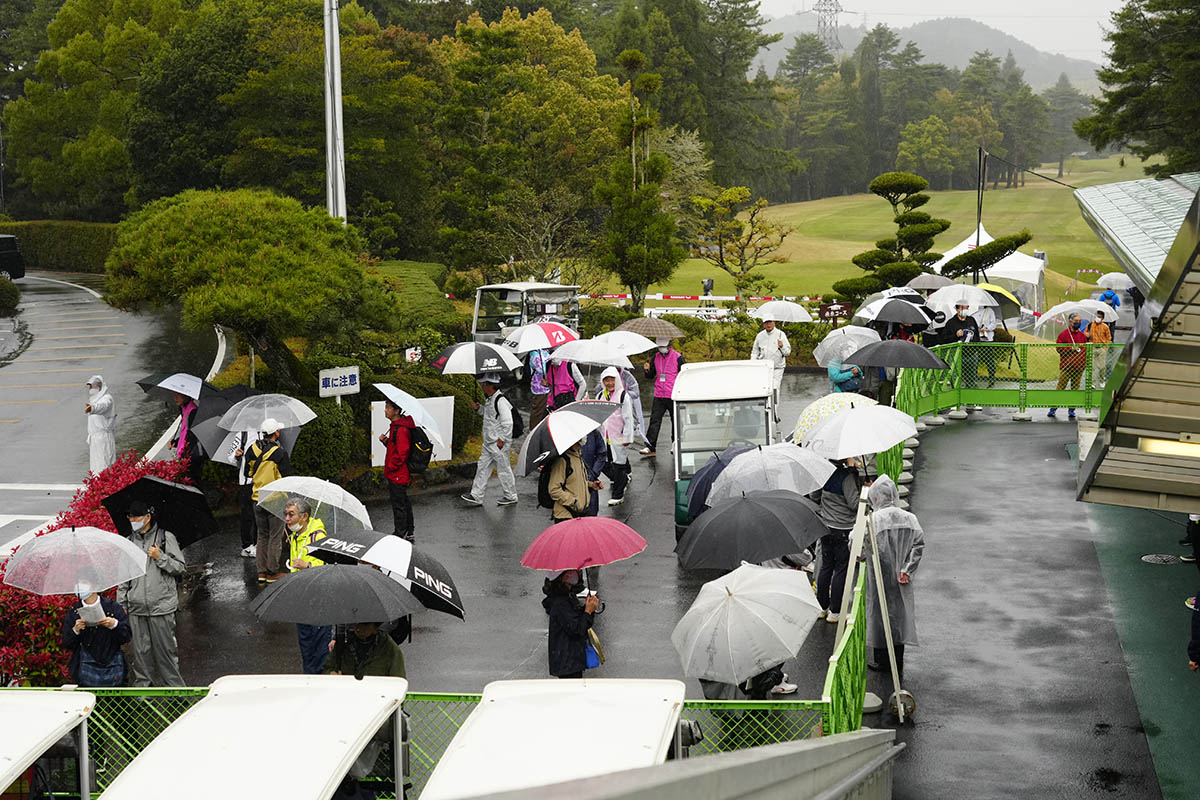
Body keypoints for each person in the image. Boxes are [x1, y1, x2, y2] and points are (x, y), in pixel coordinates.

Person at [117, 501, 186, 687]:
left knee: (167, 654)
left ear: (148, 517)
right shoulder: (129, 541)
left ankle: (175, 692)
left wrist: (160, 557)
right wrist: (121, 604)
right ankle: (143, 694)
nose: (133, 520)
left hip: (161, 607)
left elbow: (180, 567)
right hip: (137, 607)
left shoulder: (165, 537)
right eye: (130, 517)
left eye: (136, 517)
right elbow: (124, 576)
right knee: (140, 654)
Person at [864, 476, 924, 682]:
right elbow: (918, 545)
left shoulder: (873, 520)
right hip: (901, 578)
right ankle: (897, 659)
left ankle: (881, 660)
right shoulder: (909, 518)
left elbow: (858, 550)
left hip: (878, 575)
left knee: (879, 615)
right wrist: (907, 569)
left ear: (877, 497)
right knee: (899, 616)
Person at [284, 497, 331, 674]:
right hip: (301, 598)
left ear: (304, 517)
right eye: (286, 514)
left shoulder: (317, 536)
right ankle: (309, 679)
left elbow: (326, 567)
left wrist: (307, 566)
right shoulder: (296, 536)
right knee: (306, 646)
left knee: (319, 648)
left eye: (291, 514)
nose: (287, 519)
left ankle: (319, 683)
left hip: (317, 600)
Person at [817, 457, 862, 623]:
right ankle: (835, 612)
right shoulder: (846, 477)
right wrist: (864, 491)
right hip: (843, 527)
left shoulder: (822, 473)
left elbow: (815, 496)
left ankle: (822, 607)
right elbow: (854, 504)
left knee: (826, 565)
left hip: (825, 526)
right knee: (841, 568)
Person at [461, 375, 518, 507]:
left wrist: (502, 440)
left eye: (484, 384)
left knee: (503, 469)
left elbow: (508, 423)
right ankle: (476, 495)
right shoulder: (491, 399)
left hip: (497, 443)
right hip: (489, 442)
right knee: (482, 468)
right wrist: (479, 409)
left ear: (491, 385)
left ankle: (511, 495)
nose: (482, 387)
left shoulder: (500, 401)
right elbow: (490, 415)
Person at [246, 420, 292, 582]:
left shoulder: (251, 450)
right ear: (276, 432)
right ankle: (273, 572)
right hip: (275, 499)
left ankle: (261, 573)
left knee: (262, 536)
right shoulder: (280, 453)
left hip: (257, 498)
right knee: (275, 536)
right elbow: (287, 478)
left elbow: (248, 473)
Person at [61, 586, 132, 686]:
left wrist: (114, 625)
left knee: (114, 699)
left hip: (113, 664)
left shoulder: (112, 606)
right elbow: (66, 642)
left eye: (85, 583)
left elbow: (126, 636)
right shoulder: (74, 611)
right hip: (84, 667)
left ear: (95, 586)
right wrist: (75, 630)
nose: (81, 586)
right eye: (79, 583)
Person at [542, 569, 600, 679]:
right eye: (570, 572)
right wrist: (588, 612)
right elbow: (577, 629)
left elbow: (576, 621)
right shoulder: (560, 604)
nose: (575, 573)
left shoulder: (567, 596)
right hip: (568, 663)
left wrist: (587, 609)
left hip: (570, 660)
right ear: (561, 578)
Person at [640, 337, 685, 456]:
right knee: (654, 420)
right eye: (659, 347)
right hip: (659, 394)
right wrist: (646, 370)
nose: (662, 349)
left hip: (673, 394)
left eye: (663, 347)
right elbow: (651, 375)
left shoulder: (678, 357)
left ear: (670, 345)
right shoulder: (656, 357)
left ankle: (676, 444)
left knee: (675, 420)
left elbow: (683, 375)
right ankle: (650, 446)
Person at [597, 366, 634, 506]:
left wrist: (627, 437)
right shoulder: (601, 395)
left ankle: (618, 494)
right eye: (606, 380)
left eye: (612, 380)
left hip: (618, 435)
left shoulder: (623, 395)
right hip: (604, 436)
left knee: (619, 463)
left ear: (617, 380)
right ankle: (621, 479)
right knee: (603, 462)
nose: (609, 383)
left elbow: (628, 418)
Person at [380, 400, 416, 541]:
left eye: (388, 408)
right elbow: (395, 447)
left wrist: (391, 467)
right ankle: (409, 531)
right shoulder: (396, 427)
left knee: (399, 504)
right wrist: (386, 441)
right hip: (397, 473)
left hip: (398, 474)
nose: (385, 410)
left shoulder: (401, 429)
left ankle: (400, 533)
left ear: (396, 411)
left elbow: (402, 453)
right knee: (404, 502)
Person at [324, 622, 406, 679]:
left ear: (376, 627)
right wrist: (331, 674)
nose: (359, 628)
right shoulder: (343, 643)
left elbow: (398, 681)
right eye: (357, 623)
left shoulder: (389, 647)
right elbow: (327, 669)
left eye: (365, 625)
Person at [1047, 313, 1087, 420]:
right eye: (1076, 321)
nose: (1078, 323)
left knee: (1075, 389)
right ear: (1070, 322)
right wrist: (1070, 348)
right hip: (1066, 367)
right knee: (1060, 387)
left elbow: (1085, 350)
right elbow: (1059, 348)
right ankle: (1053, 408)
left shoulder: (1082, 336)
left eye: (1080, 321)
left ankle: (1071, 410)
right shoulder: (1064, 335)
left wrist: (1083, 363)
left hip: (1078, 368)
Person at [750, 318, 791, 421]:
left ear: (774, 323)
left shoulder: (781, 334)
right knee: (764, 389)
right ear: (763, 324)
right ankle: (765, 410)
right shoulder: (760, 336)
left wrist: (781, 346)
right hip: (764, 367)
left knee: (775, 388)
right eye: (766, 322)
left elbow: (787, 352)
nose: (768, 324)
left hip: (777, 367)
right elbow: (755, 352)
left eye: (770, 322)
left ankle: (775, 413)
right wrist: (753, 363)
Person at [547, 440, 589, 522]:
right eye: (578, 440)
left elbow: (573, 481)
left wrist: (590, 485)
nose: (581, 442)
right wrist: (573, 502)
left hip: (578, 514)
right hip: (565, 515)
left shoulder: (578, 457)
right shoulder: (562, 461)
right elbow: (553, 489)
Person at [168, 391, 204, 484]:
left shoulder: (193, 411)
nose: (175, 398)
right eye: (174, 395)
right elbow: (185, 433)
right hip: (186, 456)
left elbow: (192, 437)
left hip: (191, 457)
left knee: (192, 483)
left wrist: (184, 456)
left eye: (178, 395)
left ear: (186, 395)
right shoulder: (185, 409)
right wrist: (175, 442)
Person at [84, 375, 117, 474]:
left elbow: (103, 406)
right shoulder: (94, 400)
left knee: (104, 464)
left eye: (91, 386)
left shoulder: (107, 398)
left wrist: (93, 408)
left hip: (103, 439)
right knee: (96, 466)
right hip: (95, 440)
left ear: (98, 387)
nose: (90, 389)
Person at [943, 303, 980, 388]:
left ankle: (970, 398)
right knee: (956, 381)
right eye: (962, 308)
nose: (965, 310)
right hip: (957, 355)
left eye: (967, 307)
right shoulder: (951, 323)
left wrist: (977, 349)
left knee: (971, 381)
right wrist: (955, 335)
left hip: (972, 355)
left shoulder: (971, 320)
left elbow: (977, 336)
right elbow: (944, 339)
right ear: (957, 309)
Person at [232, 431, 256, 558]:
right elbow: (230, 457)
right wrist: (236, 455)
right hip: (246, 482)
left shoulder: (265, 432)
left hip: (262, 481)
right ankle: (247, 546)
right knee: (247, 514)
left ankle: (258, 544)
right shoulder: (242, 434)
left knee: (260, 514)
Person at [620, 367, 649, 446]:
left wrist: (623, 394)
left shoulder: (626, 375)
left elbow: (635, 393)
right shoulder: (607, 374)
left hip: (625, 403)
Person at [973, 305, 998, 388]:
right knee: (974, 360)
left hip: (988, 340)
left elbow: (994, 324)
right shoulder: (973, 311)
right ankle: (973, 380)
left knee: (989, 360)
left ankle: (991, 379)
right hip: (977, 340)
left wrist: (986, 328)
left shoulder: (989, 311)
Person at [1088, 309, 1113, 387]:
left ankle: (1102, 380)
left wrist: (1105, 347)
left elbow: (1109, 337)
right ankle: (1093, 383)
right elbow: (1085, 332)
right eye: (1097, 316)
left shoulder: (1105, 327)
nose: (1098, 318)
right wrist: (1087, 335)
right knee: (1091, 366)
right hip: (1092, 347)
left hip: (1101, 348)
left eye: (1100, 317)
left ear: (1102, 318)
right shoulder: (1090, 325)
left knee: (1102, 367)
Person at [528, 347, 552, 429]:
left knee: (546, 411)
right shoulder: (534, 353)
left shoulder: (545, 351)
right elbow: (540, 369)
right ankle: (533, 431)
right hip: (539, 388)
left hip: (548, 386)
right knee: (537, 412)